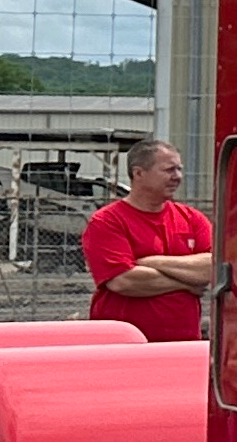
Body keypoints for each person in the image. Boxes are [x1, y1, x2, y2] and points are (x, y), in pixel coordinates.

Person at [83, 141, 214, 342]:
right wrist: (187, 283)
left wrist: (151, 262)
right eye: (169, 170)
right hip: (122, 345)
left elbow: (212, 267)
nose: (177, 177)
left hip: (182, 343)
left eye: (179, 169)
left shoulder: (192, 219)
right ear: (139, 173)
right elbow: (123, 281)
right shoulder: (107, 221)